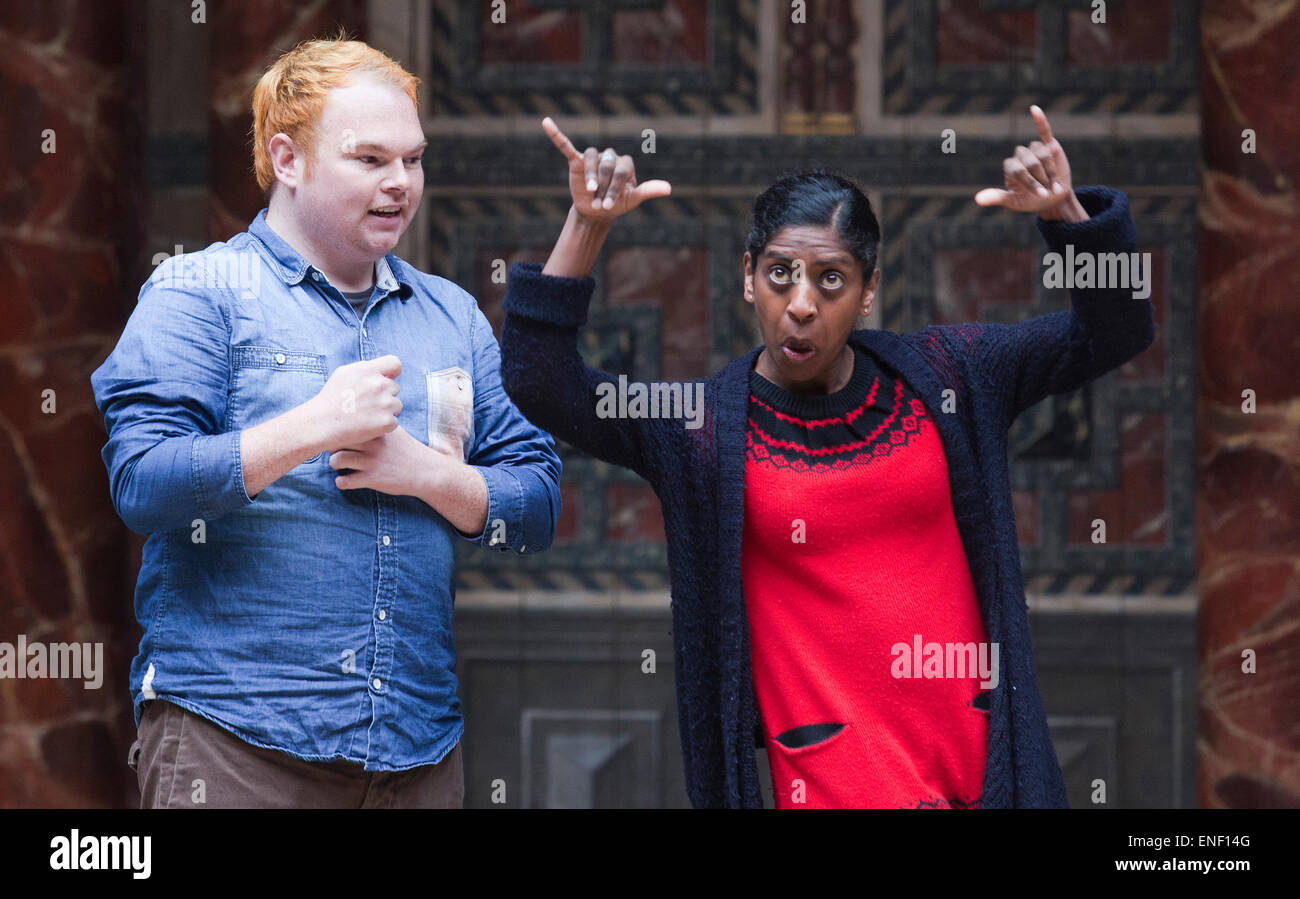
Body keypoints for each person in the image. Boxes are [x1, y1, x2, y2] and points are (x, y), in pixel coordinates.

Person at [499, 109, 1154, 808]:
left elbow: (1116, 327)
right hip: (828, 781)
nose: (801, 304)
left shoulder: (953, 375)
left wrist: (1068, 216)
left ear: (869, 290)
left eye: (831, 279)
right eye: (780, 274)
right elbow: (541, 377)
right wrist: (588, 225)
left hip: (979, 777)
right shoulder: (697, 429)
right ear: (749, 277)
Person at [91, 37, 561, 808]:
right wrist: (313, 425)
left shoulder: (454, 316)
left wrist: (430, 475)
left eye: (413, 160)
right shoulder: (199, 292)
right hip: (235, 744)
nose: (400, 184)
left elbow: (537, 503)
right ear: (288, 159)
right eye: (370, 159)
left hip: (417, 753)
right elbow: (143, 484)